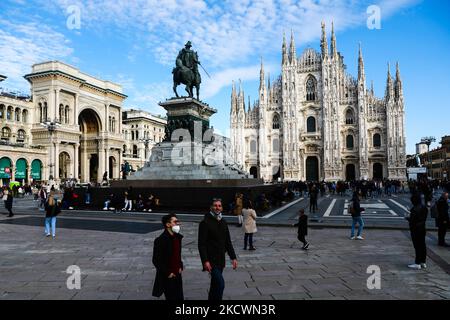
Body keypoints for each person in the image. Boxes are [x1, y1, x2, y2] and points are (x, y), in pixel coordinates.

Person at [198, 198, 238, 301]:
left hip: (221, 260)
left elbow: (228, 242)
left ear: (222, 208)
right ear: (211, 207)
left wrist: (233, 257)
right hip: (211, 260)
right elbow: (201, 244)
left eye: (219, 205)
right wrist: (205, 261)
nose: (217, 207)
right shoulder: (205, 223)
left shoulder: (223, 222)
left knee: (215, 285)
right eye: (215, 205)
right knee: (220, 284)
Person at [152, 214, 184, 301]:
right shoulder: (160, 240)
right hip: (168, 275)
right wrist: (168, 273)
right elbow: (156, 260)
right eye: (175, 222)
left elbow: (178, 254)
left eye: (178, 222)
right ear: (168, 224)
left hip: (177, 273)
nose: (178, 224)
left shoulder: (178, 238)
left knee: (180, 297)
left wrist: (180, 266)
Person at [406, 193, 428, 269]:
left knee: (417, 246)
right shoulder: (424, 207)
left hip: (415, 229)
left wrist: (407, 217)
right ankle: (423, 262)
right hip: (422, 228)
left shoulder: (414, 209)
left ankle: (417, 263)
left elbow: (413, 220)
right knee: (423, 245)